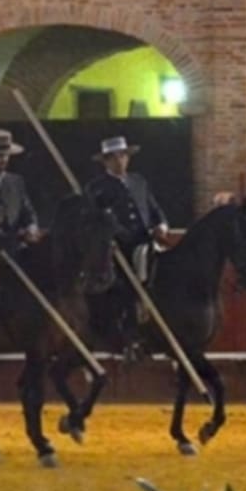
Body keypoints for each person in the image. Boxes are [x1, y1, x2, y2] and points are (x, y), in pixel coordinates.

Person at [83, 136, 169, 357]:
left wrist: (161, 225)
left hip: (145, 242)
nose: (120, 161)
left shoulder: (138, 181)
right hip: (117, 248)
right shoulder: (96, 188)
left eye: (123, 156)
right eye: (113, 158)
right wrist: (111, 238)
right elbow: (95, 221)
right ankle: (130, 337)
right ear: (105, 162)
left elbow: (153, 207)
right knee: (125, 289)